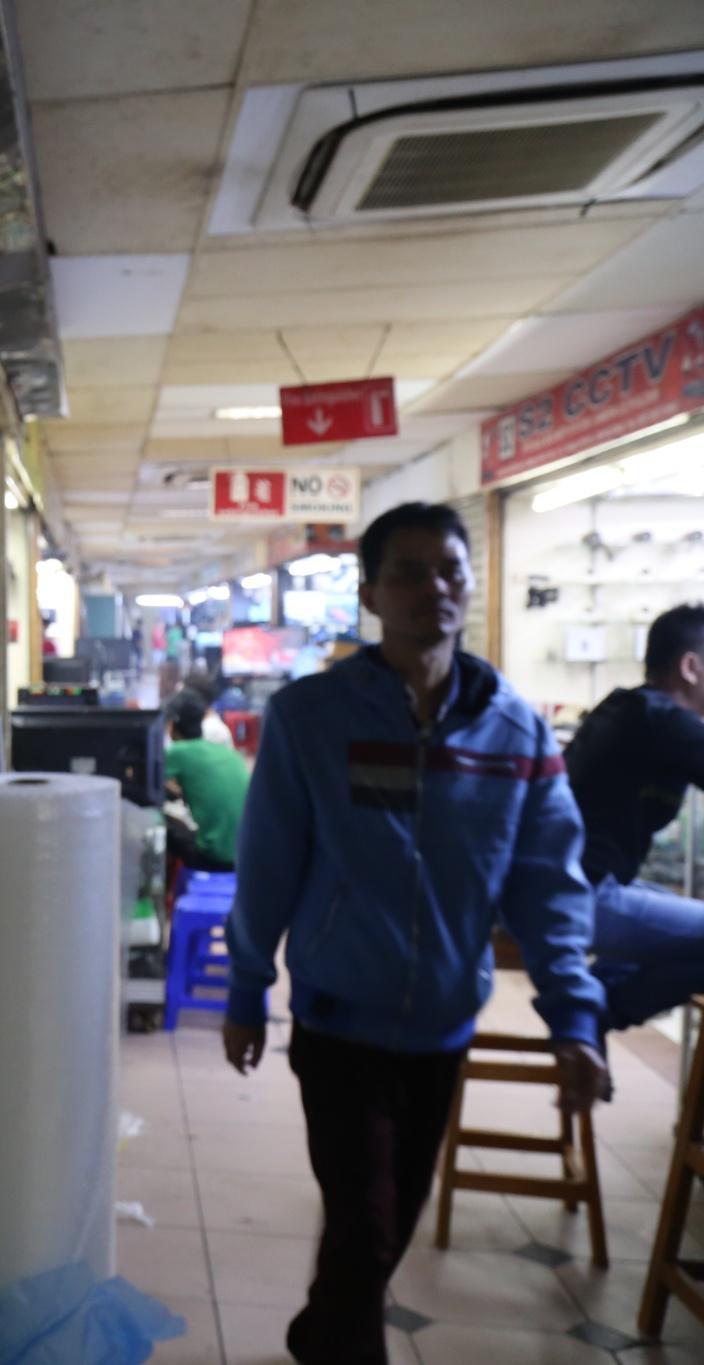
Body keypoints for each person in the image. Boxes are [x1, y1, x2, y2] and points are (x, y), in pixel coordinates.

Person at [221, 502, 606, 1365]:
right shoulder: (311, 718)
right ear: (369, 594)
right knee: (365, 1223)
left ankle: (318, 1332)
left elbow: (548, 882)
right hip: (336, 1017)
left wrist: (574, 1014)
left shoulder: (516, 731)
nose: (433, 587)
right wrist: (247, 989)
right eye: (407, 571)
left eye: (449, 570)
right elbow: (269, 862)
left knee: (386, 1226)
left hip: (442, 1024)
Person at [565, 603, 704, 1031]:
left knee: (681, 918)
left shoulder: (628, 707)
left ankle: (590, 1003)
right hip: (577, 897)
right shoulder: (666, 722)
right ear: (690, 667)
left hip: (569, 885)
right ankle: (591, 1019)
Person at [164, 697, 248, 872]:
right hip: (245, 855)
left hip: (213, 857)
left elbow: (148, 782)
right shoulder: (224, 752)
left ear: (171, 726)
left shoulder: (178, 752)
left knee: (161, 823)